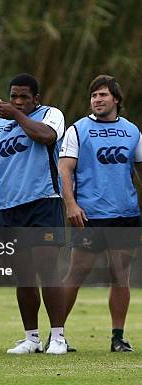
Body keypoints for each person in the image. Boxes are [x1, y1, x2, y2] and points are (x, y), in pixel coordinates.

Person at [0, 73, 68, 354]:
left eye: (24, 97)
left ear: (36, 99)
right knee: (23, 275)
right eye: (13, 96)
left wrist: (16, 114)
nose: (17, 101)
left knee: (47, 268)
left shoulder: (51, 115)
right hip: (10, 209)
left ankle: (58, 337)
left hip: (44, 204)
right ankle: (32, 338)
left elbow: (46, 136)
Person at [59, 75, 142, 352]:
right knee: (77, 273)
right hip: (90, 215)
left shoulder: (133, 131)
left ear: (116, 99)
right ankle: (57, 336)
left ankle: (118, 337)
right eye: (94, 95)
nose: (97, 100)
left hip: (126, 214)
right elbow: (65, 170)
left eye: (103, 95)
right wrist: (71, 204)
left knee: (120, 275)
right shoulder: (78, 129)